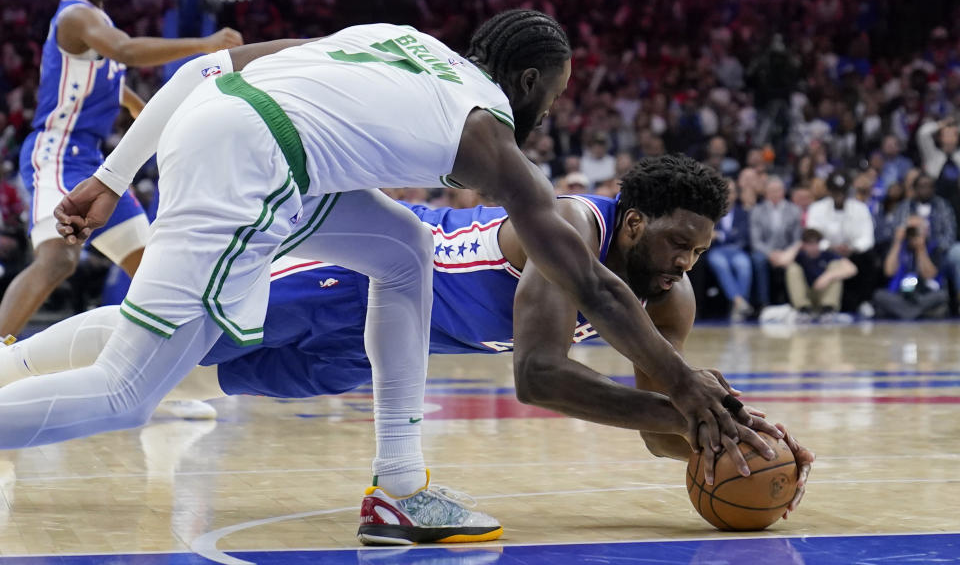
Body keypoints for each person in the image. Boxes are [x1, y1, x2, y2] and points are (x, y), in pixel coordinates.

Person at [3, 11, 759, 542]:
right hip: (253, 160)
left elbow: (207, 69)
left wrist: (112, 174)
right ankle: (397, 489)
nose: (550, 112)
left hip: (254, 144)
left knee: (404, 249)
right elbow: (592, 291)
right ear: (526, 82)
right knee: (128, 392)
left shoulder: (405, 42)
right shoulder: (491, 136)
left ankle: (398, 486)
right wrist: (687, 390)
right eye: (554, 97)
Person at [2, 157, 812, 521]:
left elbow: (655, 432)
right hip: (354, 271)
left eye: (700, 250)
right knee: (180, 340)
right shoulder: (567, 228)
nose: (686, 262)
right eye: (678, 243)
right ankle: (12, 361)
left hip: (387, 335)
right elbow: (539, 378)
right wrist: (687, 407)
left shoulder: (669, 304)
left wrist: (728, 436)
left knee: (222, 374)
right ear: (633, 223)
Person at [0, 0, 241, 338]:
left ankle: (167, 379)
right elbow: (126, 52)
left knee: (151, 272)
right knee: (59, 259)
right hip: (57, 151)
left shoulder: (98, 22)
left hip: (92, 159)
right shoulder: (76, 16)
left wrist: (133, 104)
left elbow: (107, 72)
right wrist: (206, 44)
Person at [806, 172, 876, 314]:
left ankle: (863, 302)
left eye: (842, 191)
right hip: (826, 254)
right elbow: (811, 236)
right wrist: (829, 247)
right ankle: (821, 304)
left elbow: (868, 238)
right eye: (835, 191)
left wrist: (853, 248)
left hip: (853, 254)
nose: (839, 195)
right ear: (829, 191)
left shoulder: (860, 208)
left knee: (869, 258)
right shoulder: (816, 208)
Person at [872, 216, 949, 319]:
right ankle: (915, 312)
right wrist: (897, 242)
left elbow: (930, 275)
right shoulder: (899, 246)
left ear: (925, 231)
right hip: (900, 295)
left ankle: (906, 312)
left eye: (916, 229)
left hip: (923, 294)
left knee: (942, 295)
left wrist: (921, 249)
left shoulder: (933, 247)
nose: (912, 233)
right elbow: (888, 271)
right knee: (878, 295)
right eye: (910, 229)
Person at [749, 176, 803, 308]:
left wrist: (786, 254)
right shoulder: (757, 211)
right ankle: (763, 303)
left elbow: (797, 239)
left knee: (798, 260)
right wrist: (771, 254)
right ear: (766, 193)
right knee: (758, 260)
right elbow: (755, 241)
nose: (775, 193)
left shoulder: (794, 210)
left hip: (787, 251)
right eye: (772, 190)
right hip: (765, 251)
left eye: (778, 190)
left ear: (783, 191)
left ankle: (794, 303)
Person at [782, 228, 857, 322]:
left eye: (816, 243)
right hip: (806, 295)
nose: (813, 247)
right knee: (792, 268)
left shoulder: (828, 255)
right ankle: (803, 310)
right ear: (804, 244)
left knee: (836, 267)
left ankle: (828, 309)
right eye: (809, 243)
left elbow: (852, 269)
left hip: (823, 295)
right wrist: (797, 246)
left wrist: (828, 276)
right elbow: (783, 262)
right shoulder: (799, 256)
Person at [706, 179, 753, 321]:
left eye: (731, 192)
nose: (728, 195)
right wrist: (727, 235)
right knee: (720, 264)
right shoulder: (711, 213)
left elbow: (742, 235)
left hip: (736, 250)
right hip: (717, 251)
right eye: (724, 191)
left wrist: (720, 235)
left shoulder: (743, 213)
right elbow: (708, 234)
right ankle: (740, 302)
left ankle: (737, 305)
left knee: (744, 265)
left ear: (736, 195)